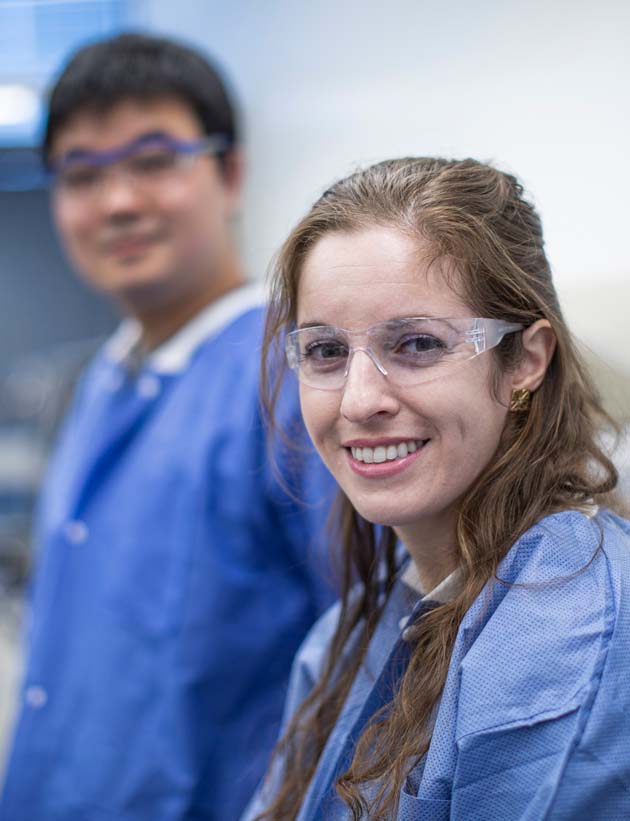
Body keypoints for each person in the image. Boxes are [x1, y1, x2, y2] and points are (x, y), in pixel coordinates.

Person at [0, 33, 335, 821]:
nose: (118, 201)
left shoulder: (294, 382)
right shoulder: (101, 383)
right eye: (82, 174)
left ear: (231, 173)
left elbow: (369, 662)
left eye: (155, 160)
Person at [244, 157, 630, 820]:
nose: (359, 401)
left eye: (417, 343)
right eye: (326, 351)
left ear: (526, 361)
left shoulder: (572, 628)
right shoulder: (350, 634)